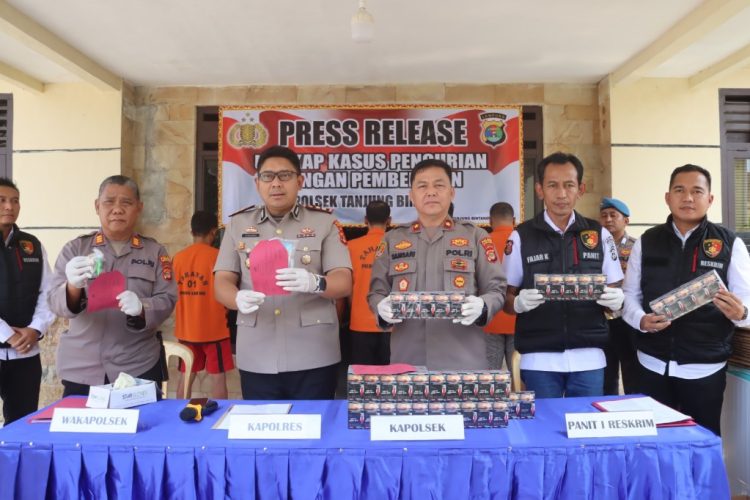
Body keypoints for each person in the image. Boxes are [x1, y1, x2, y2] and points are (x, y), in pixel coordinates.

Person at [214, 145, 352, 400]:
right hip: (257, 353)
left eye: (285, 176)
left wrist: (315, 283)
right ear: (257, 183)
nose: (276, 183)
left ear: (299, 181)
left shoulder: (325, 223)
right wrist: (236, 298)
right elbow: (222, 280)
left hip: (314, 353)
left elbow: (343, 281)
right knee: (263, 425)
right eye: (268, 176)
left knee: (314, 424)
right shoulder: (237, 225)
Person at [623, 164, 750, 435]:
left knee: (701, 443)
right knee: (654, 444)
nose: (688, 198)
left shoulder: (729, 243)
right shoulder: (647, 241)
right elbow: (630, 295)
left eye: (697, 191)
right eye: (680, 190)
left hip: (704, 368)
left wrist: (741, 313)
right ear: (668, 197)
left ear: (710, 199)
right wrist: (640, 320)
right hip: (651, 363)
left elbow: (747, 301)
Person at [503, 152, 624, 398]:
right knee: (544, 422)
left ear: (581, 189)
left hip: (589, 357)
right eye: (552, 185)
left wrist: (616, 302)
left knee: (587, 422)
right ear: (539, 190)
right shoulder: (521, 236)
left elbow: (615, 287)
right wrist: (516, 304)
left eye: (569, 185)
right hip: (539, 359)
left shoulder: (599, 234)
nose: (561, 194)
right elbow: (505, 296)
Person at [368, 159, 506, 370]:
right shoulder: (392, 240)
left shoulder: (476, 236)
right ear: (411, 195)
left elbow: (496, 289)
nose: (431, 192)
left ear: (452, 192)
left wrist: (484, 305)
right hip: (408, 362)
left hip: (463, 364)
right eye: (422, 186)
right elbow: (377, 291)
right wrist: (381, 308)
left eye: (439, 185)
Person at [49, 175, 177, 396]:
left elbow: (168, 298)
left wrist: (143, 307)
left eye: (126, 202)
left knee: (144, 419)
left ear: (139, 207)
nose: (117, 209)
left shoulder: (154, 252)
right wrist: (72, 287)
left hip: (138, 366)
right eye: (109, 202)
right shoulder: (76, 249)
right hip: (82, 367)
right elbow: (54, 301)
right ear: (97, 206)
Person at [0, 178, 55, 424]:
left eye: (15, 201)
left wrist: (35, 329)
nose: (9, 206)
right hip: (12, 341)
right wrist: (8, 335)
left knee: (22, 423)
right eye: (2, 200)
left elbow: (48, 292)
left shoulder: (31, 245)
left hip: (25, 354)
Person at [172, 211, 234, 399]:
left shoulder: (178, 258)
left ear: (192, 231)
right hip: (215, 330)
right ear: (213, 232)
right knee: (218, 378)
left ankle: (180, 413)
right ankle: (220, 414)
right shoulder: (219, 257)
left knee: (186, 376)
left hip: (187, 330)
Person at [599, 197, 639, 395]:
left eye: (613, 215)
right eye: (604, 215)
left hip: (626, 318)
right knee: (607, 372)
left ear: (626, 220)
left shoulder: (636, 247)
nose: (608, 220)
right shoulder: (595, 247)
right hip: (602, 317)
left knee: (632, 369)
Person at [347, 200, 392, 365]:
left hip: (359, 322)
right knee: (391, 377)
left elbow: (347, 288)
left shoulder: (351, 247)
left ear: (365, 220)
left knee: (363, 376)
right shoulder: (398, 246)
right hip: (391, 322)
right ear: (389, 221)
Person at [483, 202, 516, 373]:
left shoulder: (484, 243)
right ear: (514, 221)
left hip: (490, 319)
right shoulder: (522, 241)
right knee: (519, 377)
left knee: (490, 377)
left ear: (490, 221)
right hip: (518, 319)